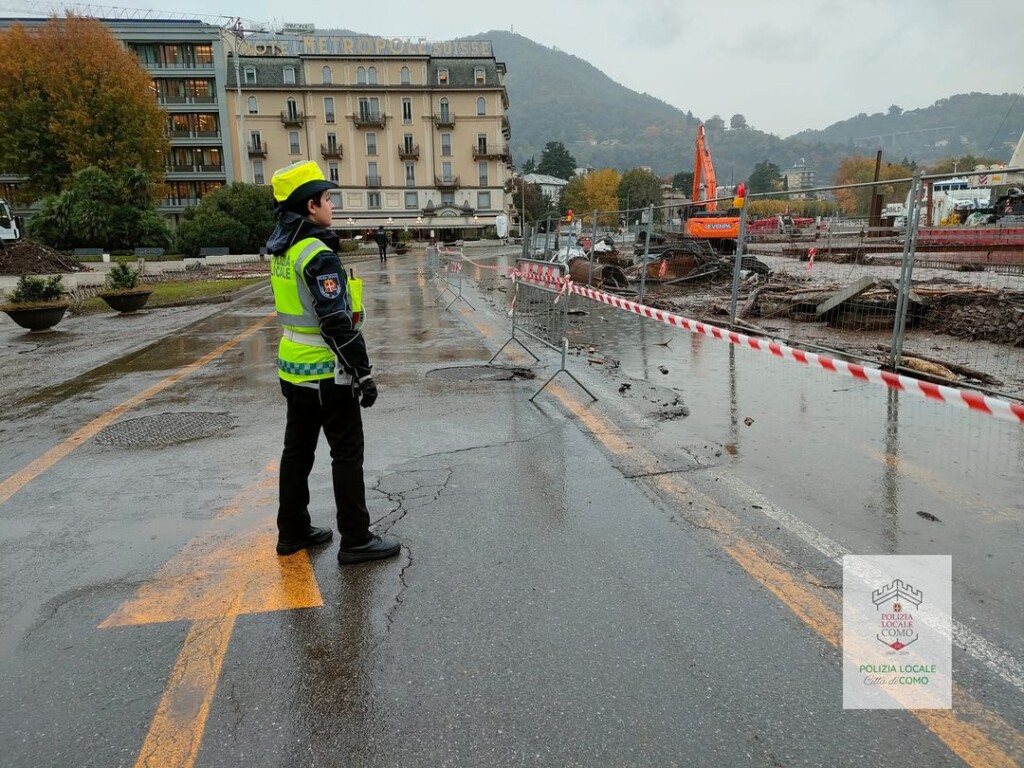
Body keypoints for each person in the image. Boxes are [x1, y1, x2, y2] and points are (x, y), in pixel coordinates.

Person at [267, 160, 400, 565]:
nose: (331, 205)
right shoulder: (318, 254)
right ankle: (356, 539)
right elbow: (337, 323)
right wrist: (364, 373)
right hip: (326, 371)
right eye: (327, 198)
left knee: (297, 452)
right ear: (310, 206)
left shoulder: (282, 249)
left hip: (293, 367)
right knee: (346, 453)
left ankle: (292, 531)